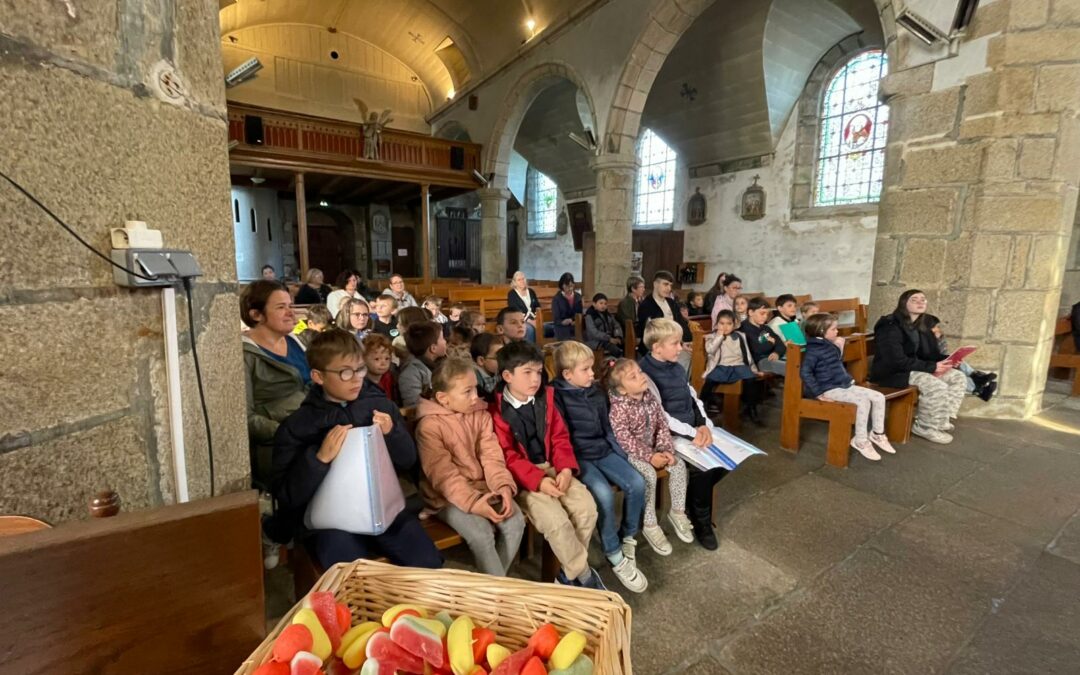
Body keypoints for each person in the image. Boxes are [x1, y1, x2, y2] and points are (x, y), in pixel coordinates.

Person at [271, 330, 442, 570]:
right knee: (351, 575)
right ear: (318, 376)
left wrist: (391, 434)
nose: (356, 379)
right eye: (345, 372)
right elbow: (287, 496)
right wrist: (319, 458)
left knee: (427, 563)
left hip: (383, 510)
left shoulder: (380, 406)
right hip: (331, 522)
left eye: (360, 369)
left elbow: (408, 461)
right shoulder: (298, 425)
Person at [488, 341, 604, 590]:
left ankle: (568, 574)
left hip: (554, 466)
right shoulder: (497, 410)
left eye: (539, 372)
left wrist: (564, 469)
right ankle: (583, 575)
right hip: (525, 479)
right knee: (556, 522)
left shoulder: (546, 398)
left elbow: (560, 437)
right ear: (507, 376)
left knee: (587, 509)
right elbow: (507, 455)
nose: (535, 379)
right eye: (527, 373)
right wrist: (538, 481)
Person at [416, 358, 525, 576]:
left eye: (475, 387)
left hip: (484, 487)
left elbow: (491, 457)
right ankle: (499, 596)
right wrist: (474, 502)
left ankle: (492, 588)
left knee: (515, 522)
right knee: (481, 533)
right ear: (443, 399)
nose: (475, 396)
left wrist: (502, 486)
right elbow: (442, 475)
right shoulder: (429, 426)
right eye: (467, 391)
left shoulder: (480, 415)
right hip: (446, 497)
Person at [552, 342, 648, 593]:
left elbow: (608, 429)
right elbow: (562, 437)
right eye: (586, 369)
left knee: (637, 482)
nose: (593, 374)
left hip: (602, 450)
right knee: (603, 495)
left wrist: (623, 455)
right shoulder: (556, 396)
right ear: (567, 374)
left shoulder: (595, 391)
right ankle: (612, 549)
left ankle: (628, 536)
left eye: (592, 368)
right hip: (579, 457)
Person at [637, 318, 728, 550]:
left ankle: (690, 502)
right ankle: (701, 522)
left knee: (725, 460)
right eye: (675, 343)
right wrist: (691, 433)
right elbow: (660, 415)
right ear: (657, 347)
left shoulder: (676, 367)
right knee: (705, 467)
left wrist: (704, 424)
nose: (681, 348)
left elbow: (692, 397)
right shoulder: (644, 373)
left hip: (689, 429)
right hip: (666, 436)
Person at [606, 358, 693, 555]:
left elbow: (662, 424)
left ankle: (677, 512)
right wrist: (649, 456)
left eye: (639, 371)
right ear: (622, 390)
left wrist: (665, 449)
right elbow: (624, 439)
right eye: (633, 376)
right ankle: (650, 524)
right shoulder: (619, 407)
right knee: (649, 477)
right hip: (632, 454)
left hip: (655, 449)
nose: (641, 376)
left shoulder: (649, 397)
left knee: (678, 466)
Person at [869, 289, 967, 444]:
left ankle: (940, 419)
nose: (921, 302)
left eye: (923, 299)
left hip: (914, 367)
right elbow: (895, 360)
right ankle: (925, 427)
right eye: (914, 300)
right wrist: (932, 367)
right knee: (935, 385)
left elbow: (928, 354)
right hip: (892, 373)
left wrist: (947, 360)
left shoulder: (922, 325)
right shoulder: (889, 325)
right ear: (903, 303)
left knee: (957, 377)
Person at [241, 280, 310, 494]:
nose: (291, 313)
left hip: (312, 431)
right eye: (281, 307)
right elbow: (245, 418)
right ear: (256, 315)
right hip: (278, 447)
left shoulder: (295, 342)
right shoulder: (244, 354)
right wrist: (287, 434)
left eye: (290, 305)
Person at [802, 313, 896, 461]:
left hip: (843, 384)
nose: (837, 331)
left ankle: (877, 434)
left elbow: (834, 363)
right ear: (821, 331)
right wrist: (818, 393)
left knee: (878, 397)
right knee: (863, 402)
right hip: (829, 389)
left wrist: (839, 346)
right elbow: (805, 372)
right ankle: (860, 441)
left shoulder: (827, 344)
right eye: (833, 329)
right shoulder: (814, 350)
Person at [704, 309, 764, 422]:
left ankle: (750, 408)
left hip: (738, 365)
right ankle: (703, 404)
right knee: (710, 380)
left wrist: (754, 369)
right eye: (722, 323)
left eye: (729, 324)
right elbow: (710, 350)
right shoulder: (712, 336)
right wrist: (719, 336)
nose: (725, 327)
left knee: (751, 379)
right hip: (721, 366)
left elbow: (747, 355)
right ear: (717, 324)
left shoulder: (741, 336)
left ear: (734, 325)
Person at [926, 315, 997, 401]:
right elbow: (927, 357)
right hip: (926, 368)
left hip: (936, 365)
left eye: (937, 326)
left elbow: (941, 354)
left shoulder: (938, 336)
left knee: (958, 361)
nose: (937, 329)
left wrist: (952, 361)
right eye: (934, 327)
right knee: (957, 376)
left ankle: (976, 378)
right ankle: (978, 388)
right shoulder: (921, 339)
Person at [636, 271, 693, 373]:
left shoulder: (671, 302)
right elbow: (649, 332)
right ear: (655, 284)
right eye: (665, 284)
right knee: (684, 357)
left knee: (694, 354)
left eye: (670, 285)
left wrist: (687, 341)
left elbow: (681, 322)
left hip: (674, 342)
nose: (669, 289)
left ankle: (682, 383)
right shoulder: (646, 305)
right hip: (657, 344)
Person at [399, 322, 447, 407]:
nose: (446, 341)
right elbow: (414, 406)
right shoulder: (411, 374)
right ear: (433, 348)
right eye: (442, 338)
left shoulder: (442, 364)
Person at [738, 298, 787, 376]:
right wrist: (770, 343)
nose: (765, 317)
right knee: (790, 368)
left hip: (772, 358)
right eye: (762, 313)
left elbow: (780, 343)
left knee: (798, 365)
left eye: (767, 314)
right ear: (751, 312)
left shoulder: (765, 328)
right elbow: (758, 350)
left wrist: (776, 352)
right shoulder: (744, 329)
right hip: (758, 362)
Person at [362, 332, 399, 404]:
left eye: (387, 358)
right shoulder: (361, 384)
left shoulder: (391, 378)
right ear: (363, 359)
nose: (383, 363)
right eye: (377, 359)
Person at [508, 271, 541, 342]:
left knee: (547, 327)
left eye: (523, 279)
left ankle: (541, 349)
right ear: (515, 282)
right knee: (530, 329)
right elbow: (514, 311)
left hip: (535, 318)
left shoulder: (531, 291)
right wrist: (528, 320)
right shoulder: (512, 294)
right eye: (519, 280)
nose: (522, 281)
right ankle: (530, 351)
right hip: (520, 320)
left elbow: (537, 306)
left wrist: (536, 319)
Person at [470, 332, 504, 401]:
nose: (503, 360)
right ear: (481, 361)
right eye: (498, 357)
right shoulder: (473, 380)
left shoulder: (500, 372)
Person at [551, 272, 583, 341]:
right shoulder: (557, 299)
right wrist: (563, 322)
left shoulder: (578, 297)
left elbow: (580, 313)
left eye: (571, 286)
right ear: (562, 286)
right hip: (561, 327)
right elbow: (556, 319)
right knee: (566, 338)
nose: (570, 288)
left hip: (575, 325)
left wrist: (575, 320)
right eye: (567, 286)